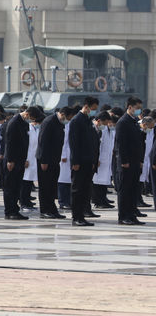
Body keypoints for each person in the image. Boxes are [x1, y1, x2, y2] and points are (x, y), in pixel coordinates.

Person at [4, 106, 42, 220]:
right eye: (31, 118)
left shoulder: (24, 124)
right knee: (10, 186)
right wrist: (10, 160)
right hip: (12, 160)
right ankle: (9, 211)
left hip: (20, 159)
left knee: (16, 186)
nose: (31, 120)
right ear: (27, 114)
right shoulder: (14, 122)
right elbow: (10, 142)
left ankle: (15, 210)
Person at [67, 96, 100, 226]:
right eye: (93, 109)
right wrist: (75, 162)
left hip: (88, 161)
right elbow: (74, 143)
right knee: (77, 190)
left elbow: (91, 142)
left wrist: (93, 160)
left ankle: (82, 215)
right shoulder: (76, 121)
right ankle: (76, 217)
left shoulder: (88, 120)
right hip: (79, 162)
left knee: (86, 190)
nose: (94, 112)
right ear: (86, 106)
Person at [116, 97, 146, 225]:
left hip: (135, 161)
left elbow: (138, 142)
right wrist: (124, 161)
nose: (139, 111)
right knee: (125, 190)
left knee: (134, 189)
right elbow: (120, 144)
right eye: (137, 108)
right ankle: (123, 216)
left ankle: (132, 214)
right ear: (130, 107)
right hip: (126, 162)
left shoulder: (134, 122)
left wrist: (140, 160)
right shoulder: (123, 122)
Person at [36, 107, 71, 219]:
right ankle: (45, 210)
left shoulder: (59, 123)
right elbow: (43, 142)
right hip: (46, 160)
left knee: (52, 186)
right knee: (45, 186)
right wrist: (44, 160)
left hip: (55, 159)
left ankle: (52, 209)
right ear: (63, 114)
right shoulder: (49, 121)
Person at [92, 112, 114, 209]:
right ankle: (98, 201)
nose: (109, 124)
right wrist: (98, 158)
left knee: (104, 181)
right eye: (107, 122)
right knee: (98, 182)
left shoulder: (108, 129)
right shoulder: (101, 129)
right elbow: (98, 145)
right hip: (100, 159)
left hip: (107, 159)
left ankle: (103, 200)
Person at [21, 117, 41, 211]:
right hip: (28, 159)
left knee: (29, 182)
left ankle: (27, 201)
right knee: (25, 182)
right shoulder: (28, 128)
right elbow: (27, 146)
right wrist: (26, 159)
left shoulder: (34, 129)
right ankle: (23, 202)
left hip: (33, 159)